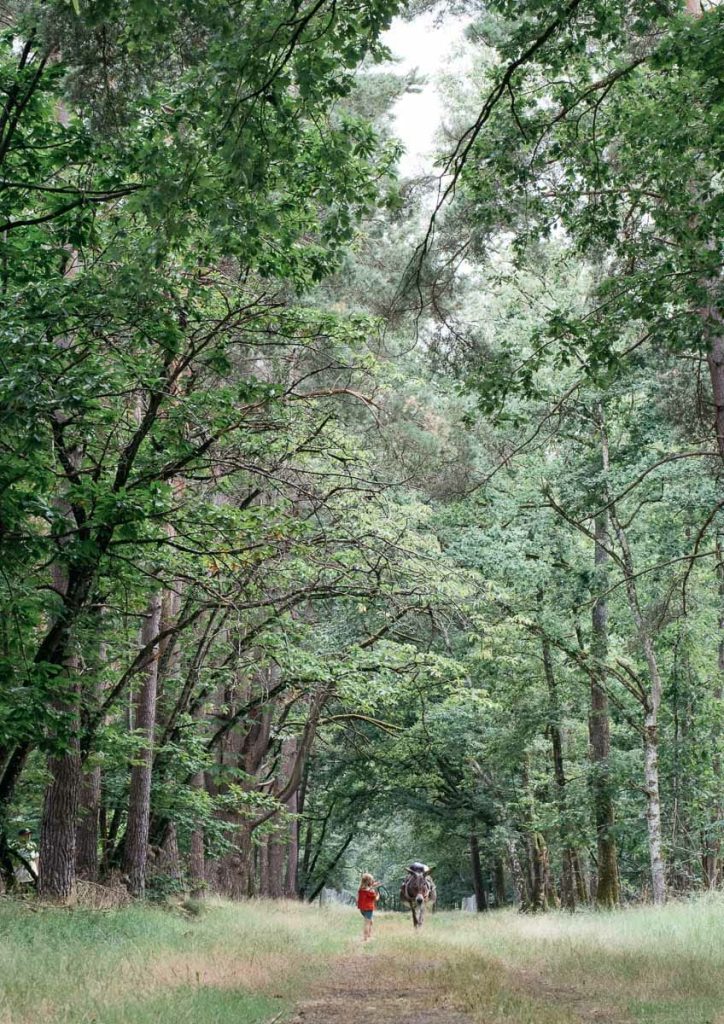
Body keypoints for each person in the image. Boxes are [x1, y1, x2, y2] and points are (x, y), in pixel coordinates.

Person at [356, 871, 380, 941]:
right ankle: (365, 938)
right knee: (367, 923)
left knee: (370, 921)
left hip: (362, 909)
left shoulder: (361, 889)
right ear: (369, 882)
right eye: (372, 880)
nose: (373, 881)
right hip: (368, 909)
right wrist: (378, 895)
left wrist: (373, 885)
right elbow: (376, 898)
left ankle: (369, 935)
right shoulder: (371, 891)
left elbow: (368, 889)